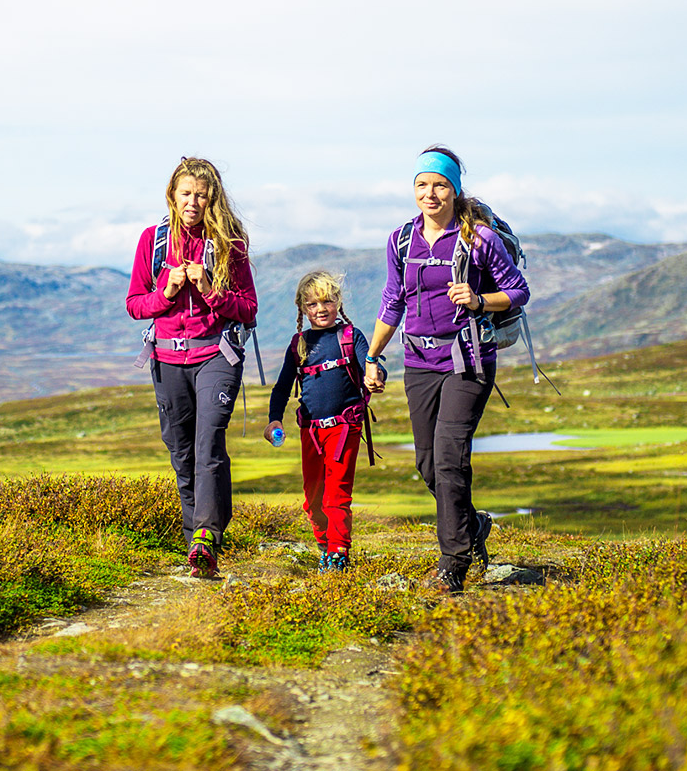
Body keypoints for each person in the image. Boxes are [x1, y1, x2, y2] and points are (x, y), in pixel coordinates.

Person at [363, 145, 529, 595]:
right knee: (428, 463)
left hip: (468, 360)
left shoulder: (479, 239)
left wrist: (478, 301)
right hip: (418, 362)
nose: (430, 193)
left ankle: (452, 563)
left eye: (440, 185)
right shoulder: (401, 240)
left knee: (451, 457)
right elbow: (392, 300)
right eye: (422, 185)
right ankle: (472, 525)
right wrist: (373, 356)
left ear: (455, 190)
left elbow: (518, 291)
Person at [126, 157, 258, 579]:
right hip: (166, 358)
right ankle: (197, 549)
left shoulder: (231, 244)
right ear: (173, 195)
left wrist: (210, 290)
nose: (193, 201)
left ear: (213, 198)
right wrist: (165, 293)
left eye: (202, 194)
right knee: (181, 452)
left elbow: (249, 309)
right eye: (186, 193)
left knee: (207, 445)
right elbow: (134, 304)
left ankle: (206, 535)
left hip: (216, 356)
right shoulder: (153, 240)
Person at [265, 271, 372, 572]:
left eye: (327, 301)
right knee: (313, 499)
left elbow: (370, 369)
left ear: (338, 302)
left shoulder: (351, 337)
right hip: (310, 432)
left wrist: (376, 377)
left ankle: (339, 552)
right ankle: (325, 545)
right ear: (302, 308)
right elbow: (282, 388)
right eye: (312, 304)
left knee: (336, 494)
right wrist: (274, 420)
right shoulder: (298, 344)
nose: (321, 308)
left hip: (344, 428)